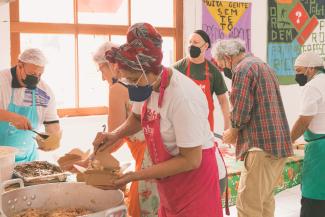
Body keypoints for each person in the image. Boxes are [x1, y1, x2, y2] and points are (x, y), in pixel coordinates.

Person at [93, 23, 223, 217]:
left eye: (132, 79)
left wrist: (135, 176)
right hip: (171, 183)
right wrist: (113, 135)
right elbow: (137, 118)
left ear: (147, 71)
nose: (129, 85)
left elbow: (191, 159)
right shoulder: (146, 86)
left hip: (195, 182)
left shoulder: (183, 97)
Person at [211, 38, 293, 217]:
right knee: (264, 202)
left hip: (260, 146)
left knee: (248, 206)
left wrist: (231, 133)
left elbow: (241, 111)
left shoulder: (242, 69)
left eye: (221, 65)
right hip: (277, 144)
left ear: (227, 57)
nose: (223, 69)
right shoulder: (263, 66)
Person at [92, 41, 159, 217]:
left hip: (147, 163)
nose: (102, 77)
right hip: (162, 159)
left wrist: (90, 159)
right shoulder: (142, 81)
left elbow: (114, 141)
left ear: (112, 65)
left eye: (101, 70)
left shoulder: (117, 89)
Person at [0, 48, 61, 162]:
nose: (36, 78)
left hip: (28, 160)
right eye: (32, 74)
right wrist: (13, 117)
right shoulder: (2, 81)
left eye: (40, 74)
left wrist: (52, 139)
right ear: (19, 65)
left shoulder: (45, 92)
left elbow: (52, 125)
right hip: (1, 160)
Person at [173, 30, 230, 132]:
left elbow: (223, 100)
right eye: (190, 42)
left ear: (205, 46)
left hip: (205, 127)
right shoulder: (177, 68)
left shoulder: (213, 71)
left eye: (195, 42)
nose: (191, 45)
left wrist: (227, 126)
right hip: (182, 125)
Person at [290, 52, 325, 217]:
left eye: (299, 70)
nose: (296, 74)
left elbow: (303, 121)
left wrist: (286, 141)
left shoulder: (312, 87)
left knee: (314, 201)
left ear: (310, 69)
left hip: (320, 152)